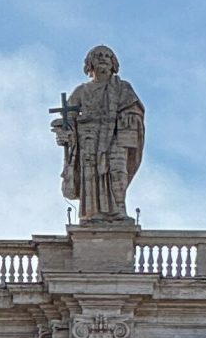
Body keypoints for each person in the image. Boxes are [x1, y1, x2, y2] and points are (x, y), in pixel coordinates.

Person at [52, 45, 145, 223]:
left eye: (108, 56)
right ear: (90, 63)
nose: (103, 58)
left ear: (113, 63)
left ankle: (119, 209)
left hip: (116, 135)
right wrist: (64, 130)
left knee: (117, 171)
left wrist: (128, 118)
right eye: (99, 55)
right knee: (91, 175)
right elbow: (68, 118)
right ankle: (93, 213)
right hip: (89, 137)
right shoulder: (81, 91)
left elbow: (135, 111)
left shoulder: (123, 88)